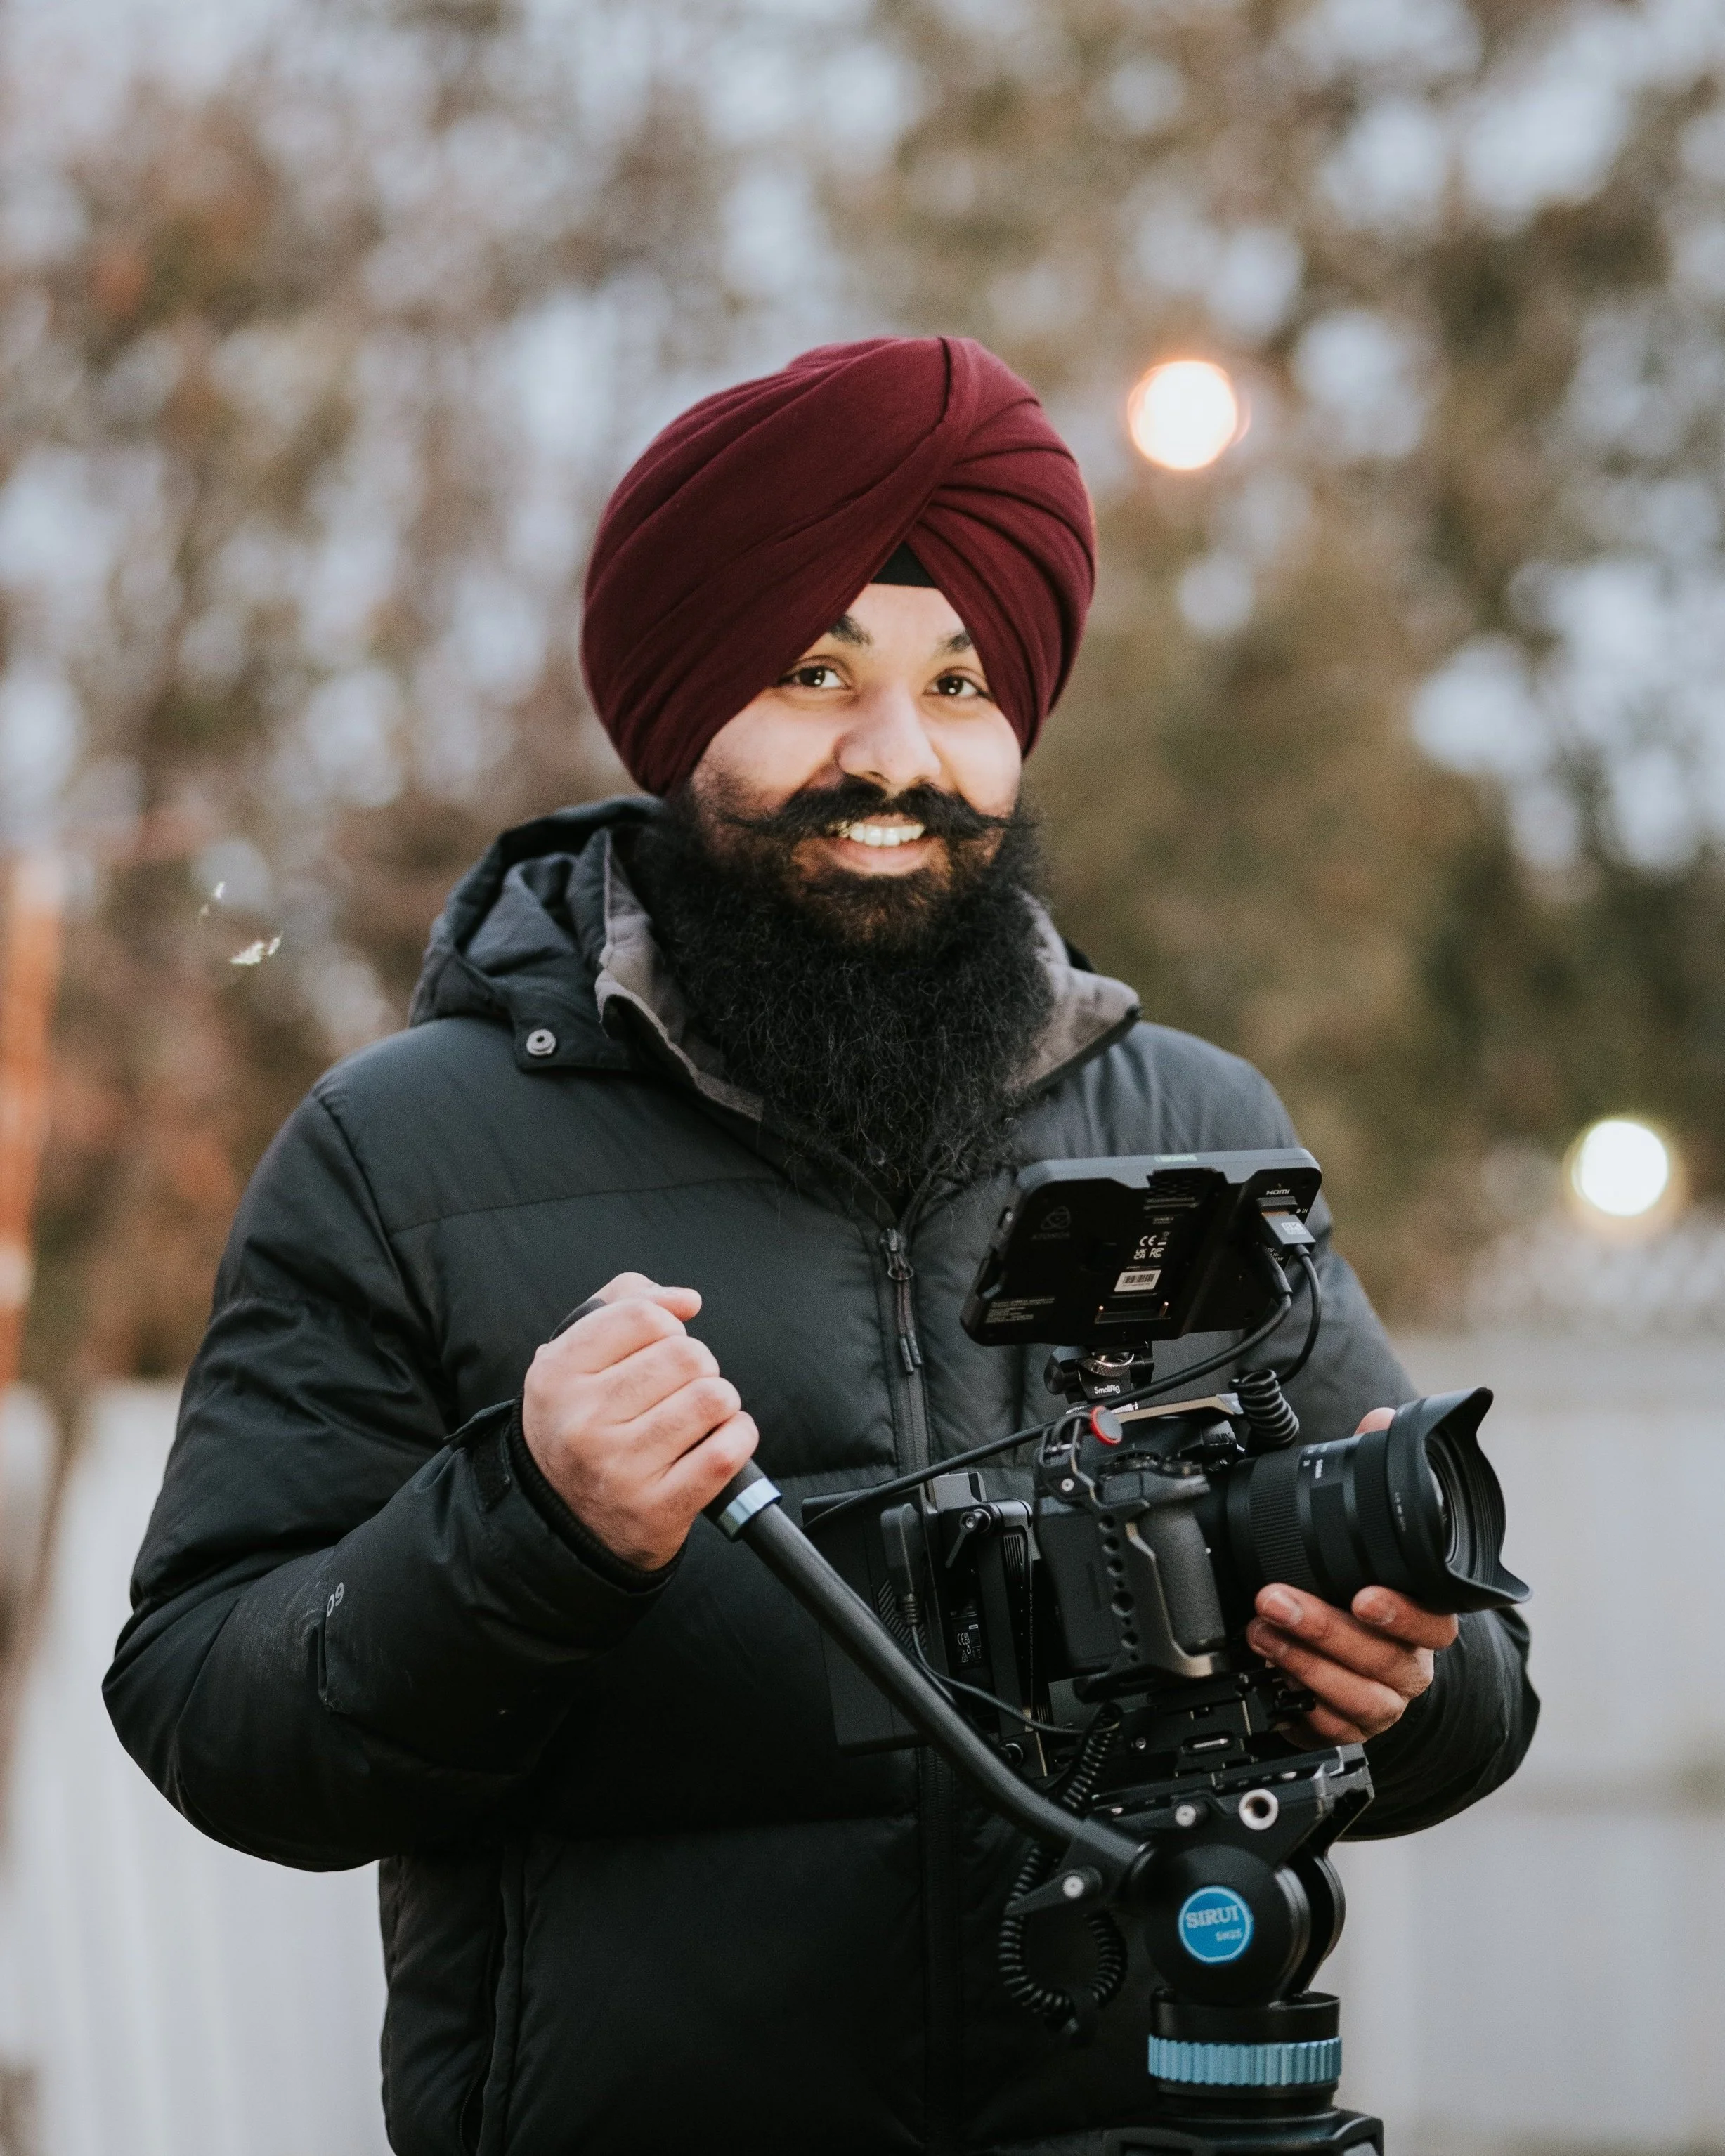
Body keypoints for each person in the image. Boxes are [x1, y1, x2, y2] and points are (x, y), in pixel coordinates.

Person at [105, 336, 1535, 2156]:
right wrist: (527, 1528)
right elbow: (213, 1716)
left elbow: (1464, 1657)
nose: (894, 756)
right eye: (810, 674)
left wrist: (1405, 1690)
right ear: (678, 707)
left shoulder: (1187, 1120)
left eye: (958, 684)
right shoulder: (403, 1149)